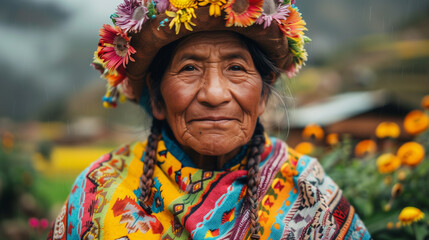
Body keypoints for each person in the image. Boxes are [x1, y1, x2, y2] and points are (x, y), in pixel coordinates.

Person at [48, 0, 371, 239]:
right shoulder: (99, 188)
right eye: (189, 68)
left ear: (262, 95)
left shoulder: (309, 192)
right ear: (157, 98)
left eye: (236, 68)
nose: (214, 94)